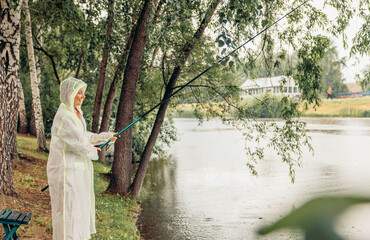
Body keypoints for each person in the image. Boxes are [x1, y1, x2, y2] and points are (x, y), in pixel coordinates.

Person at [47, 77, 117, 240]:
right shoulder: (65, 115)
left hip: (76, 171)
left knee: (78, 210)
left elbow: (82, 136)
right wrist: (94, 149)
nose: (83, 96)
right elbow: (78, 143)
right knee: (68, 213)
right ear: (69, 94)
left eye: (83, 93)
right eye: (79, 93)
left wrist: (103, 137)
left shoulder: (74, 113)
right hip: (66, 172)